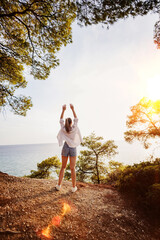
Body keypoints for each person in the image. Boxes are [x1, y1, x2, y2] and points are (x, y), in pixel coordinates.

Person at [56, 104, 82, 192]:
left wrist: (63, 110)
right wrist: (72, 109)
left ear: (66, 123)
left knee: (63, 167)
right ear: (71, 123)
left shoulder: (63, 129)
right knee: (72, 168)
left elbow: (60, 120)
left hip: (66, 147)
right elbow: (76, 119)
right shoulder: (74, 128)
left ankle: (59, 185)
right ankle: (74, 187)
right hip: (73, 148)